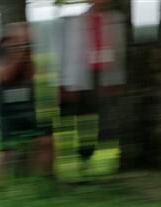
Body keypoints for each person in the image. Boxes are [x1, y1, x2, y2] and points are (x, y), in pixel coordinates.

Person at [59, 0, 126, 161]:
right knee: (84, 115)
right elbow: (71, 53)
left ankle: (109, 148)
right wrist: (69, 82)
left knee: (107, 113)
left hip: (106, 73)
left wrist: (118, 79)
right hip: (85, 74)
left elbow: (120, 51)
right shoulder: (78, 20)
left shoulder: (116, 19)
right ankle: (85, 154)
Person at [0, 22, 53, 177]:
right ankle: (3, 188)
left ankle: (43, 180)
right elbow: (5, 76)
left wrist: (25, 52)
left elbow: (32, 75)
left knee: (46, 141)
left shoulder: (28, 51)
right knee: (7, 150)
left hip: (29, 105)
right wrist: (21, 51)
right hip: (8, 109)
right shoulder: (3, 48)